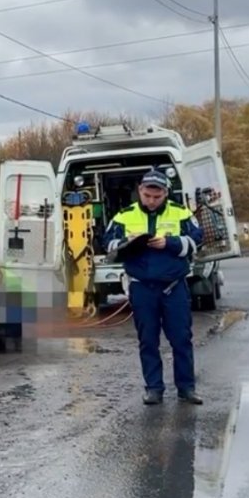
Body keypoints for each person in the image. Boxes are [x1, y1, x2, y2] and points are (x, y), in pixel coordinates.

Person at [104, 168, 205, 405]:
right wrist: (128, 243)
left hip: (174, 287)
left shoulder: (181, 213)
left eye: (157, 197)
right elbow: (107, 244)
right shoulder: (123, 216)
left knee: (181, 339)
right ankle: (154, 389)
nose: (151, 201)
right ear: (140, 190)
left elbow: (197, 241)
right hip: (142, 288)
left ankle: (186, 388)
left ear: (166, 193)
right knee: (148, 340)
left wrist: (169, 243)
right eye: (147, 196)